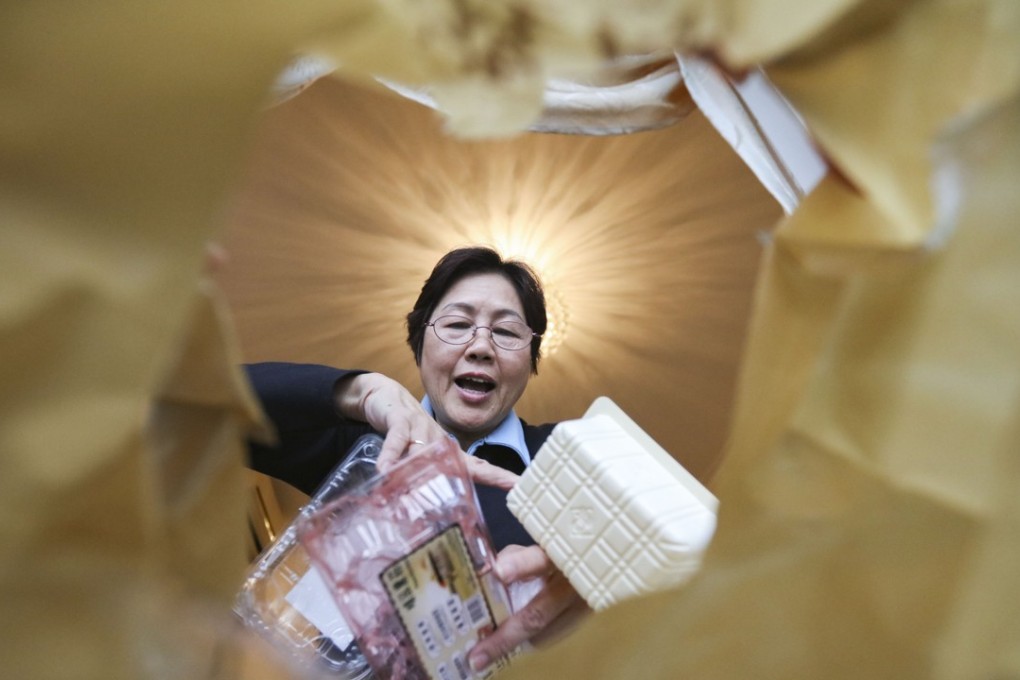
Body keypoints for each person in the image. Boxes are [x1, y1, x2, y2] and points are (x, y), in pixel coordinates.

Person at [245, 246, 590, 672]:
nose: (481, 345)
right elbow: (206, 401)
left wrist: (598, 581)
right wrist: (361, 391)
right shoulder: (364, 442)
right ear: (419, 342)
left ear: (531, 358)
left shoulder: (568, 457)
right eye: (458, 323)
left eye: (506, 332)